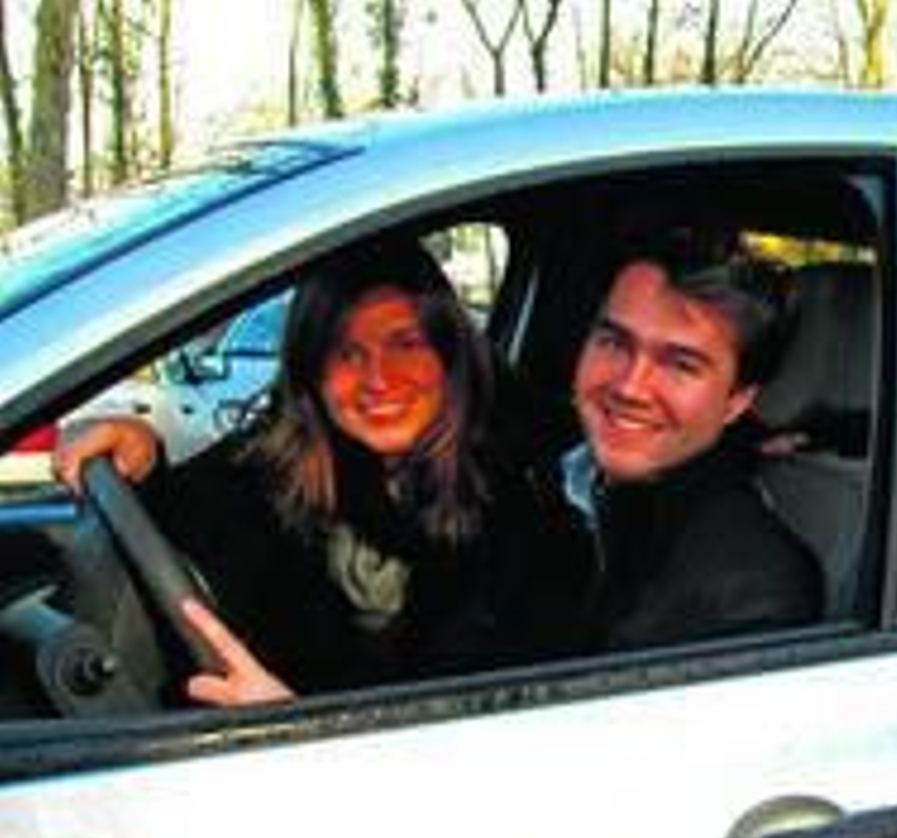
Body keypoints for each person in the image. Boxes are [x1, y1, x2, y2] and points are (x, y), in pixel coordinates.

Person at [57, 237, 589, 705]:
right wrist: (145, 453)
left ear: (450, 356)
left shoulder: (535, 501)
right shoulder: (276, 469)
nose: (378, 380)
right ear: (311, 371)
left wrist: (294, 721)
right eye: (346, 353)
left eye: (405, 344)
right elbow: (186, 516)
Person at [561, 227, 822, 650]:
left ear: (736, 402)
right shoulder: (547, 465)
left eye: (681, 365)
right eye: (614, 342)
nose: (630, 387)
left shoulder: (753, 592)